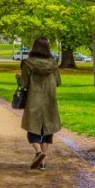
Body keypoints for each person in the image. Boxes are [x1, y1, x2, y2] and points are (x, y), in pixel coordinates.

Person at [17, 37, 61, 170]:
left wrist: (18, 78)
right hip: (49, 100)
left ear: (34, 47)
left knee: (33, 128)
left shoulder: (27, 63)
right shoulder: (53, 64)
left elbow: (24, 84)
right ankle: (43, 162)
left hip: (34, 100)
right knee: (46, 131)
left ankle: (38, 152)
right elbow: (58, 82)